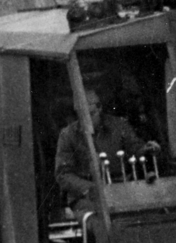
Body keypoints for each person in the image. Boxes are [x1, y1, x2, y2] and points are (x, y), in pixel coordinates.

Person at [55, 86, 144, 218]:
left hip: (122, 189)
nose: (87, 120)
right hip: (86, 198)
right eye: (82, 115)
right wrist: (89, 188)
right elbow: (63, 174)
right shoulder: (68, 135)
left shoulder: (119, 126)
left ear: (99, 108)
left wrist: (146, 149)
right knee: (101, 218)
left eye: (91, 114)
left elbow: (135, 149)